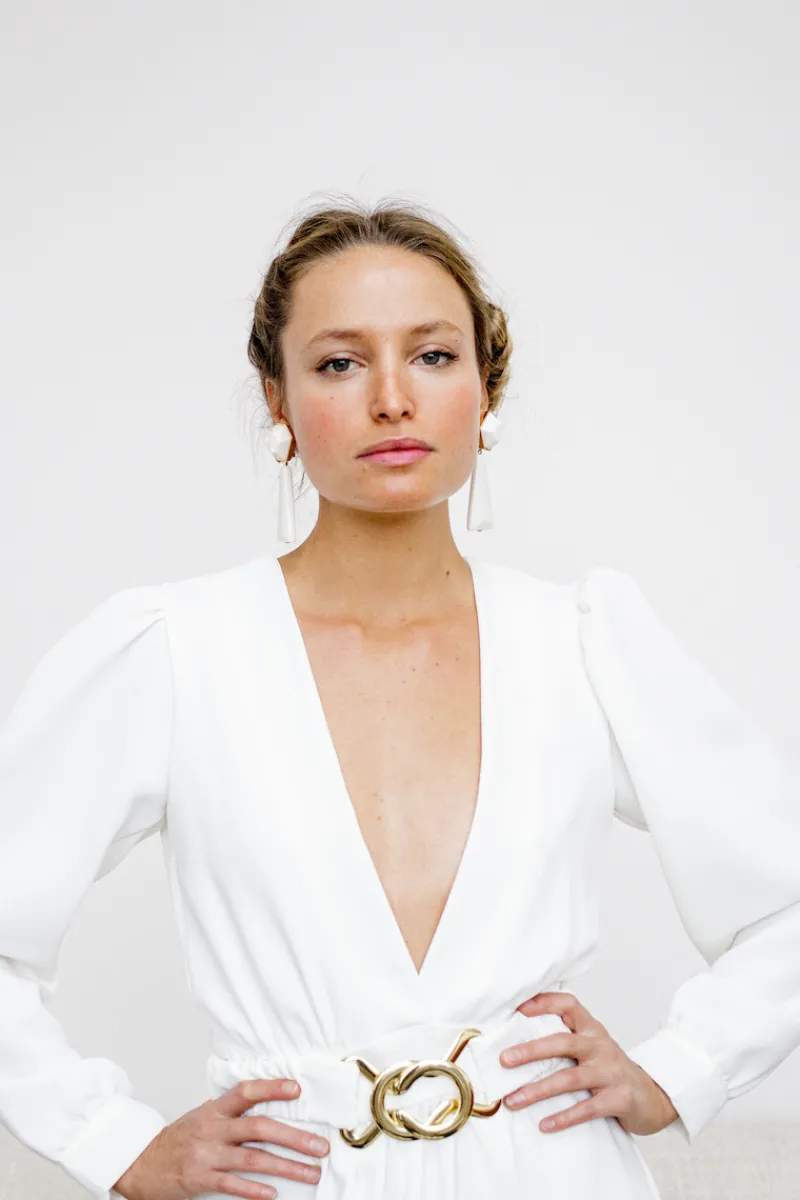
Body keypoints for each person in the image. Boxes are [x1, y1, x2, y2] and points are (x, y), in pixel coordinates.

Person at [1, 200, 798, 1200]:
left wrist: (680, 1071)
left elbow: (783, 904)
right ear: (278, 400)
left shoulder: (582, 642)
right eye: (340, 363)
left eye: (431, 356)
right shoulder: (174, 653)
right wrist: (112, 1141)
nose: (391, 399)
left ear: (483, 387)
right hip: (292, 1180)